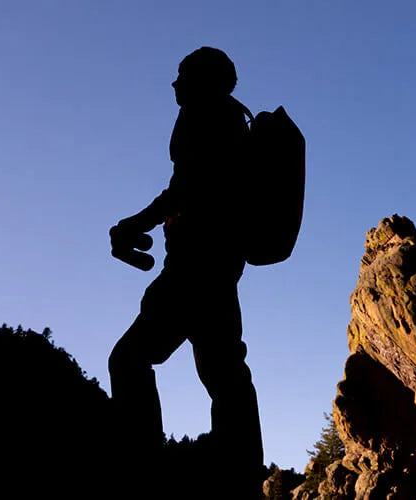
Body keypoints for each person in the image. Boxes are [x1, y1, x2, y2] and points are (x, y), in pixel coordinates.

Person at [108, 47, 263, 495]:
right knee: (225, 375)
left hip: (196, 268)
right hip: (216, 268)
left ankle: (143, 471)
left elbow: (187, 188)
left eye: (181, 76)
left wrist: (136, 224)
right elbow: (189, 188)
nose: (174, 85)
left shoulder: (207, 116)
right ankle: (241, 478)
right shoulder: (232, 120)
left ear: (203, 81)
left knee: (131, 359)